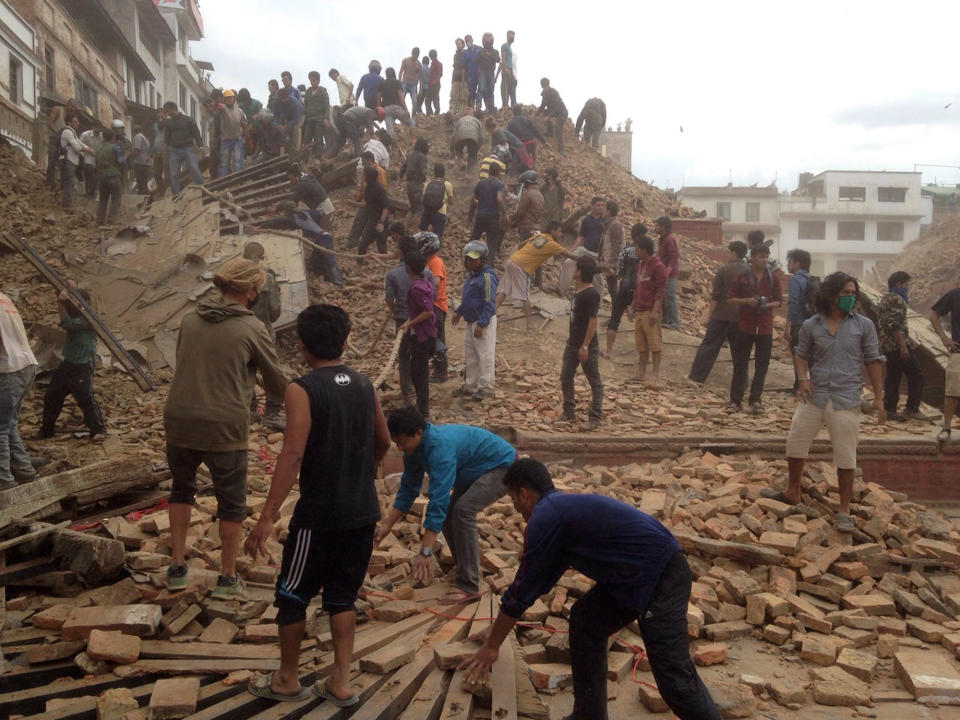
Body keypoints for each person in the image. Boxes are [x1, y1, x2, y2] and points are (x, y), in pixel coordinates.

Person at [460, 458, 722, 720]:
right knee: (586, 621)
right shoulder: (559, 510)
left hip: (660, 575)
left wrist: (493, 645)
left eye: (513, 500)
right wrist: (497, 629)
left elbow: (521, 590)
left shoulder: (546, 516)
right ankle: (589, 716)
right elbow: (538, 581)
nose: (516, 509)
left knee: (675, 679)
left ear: (524, 494)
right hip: (634, 574)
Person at [244, 304, 390, 705]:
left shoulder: (302, 389)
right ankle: (341, 683)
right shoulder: (364, 384)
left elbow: (291, 454)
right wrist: (362, 468)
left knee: (292, 594)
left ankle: (287, 680)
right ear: (345, 340)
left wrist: (266, 517)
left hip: (319, 517)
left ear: (302, 344)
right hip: (362, 513)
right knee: (342, 596)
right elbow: (384, 440)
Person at [163, 258, 289, 597]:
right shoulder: (252, 328)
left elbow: (187, 364)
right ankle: (227, 577)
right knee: (230, 502)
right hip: (224, 424)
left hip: (179, 419)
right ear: (251, 291)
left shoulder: (190, 320)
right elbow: (277, 382)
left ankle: (176, 566)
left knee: (181, 489)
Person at [767, 272, 885, 533]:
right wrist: (802, 379)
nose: (850, 297)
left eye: (853, 293)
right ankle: (792, 490)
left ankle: (844, 509)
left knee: (845, 454)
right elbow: (801, 355)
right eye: (845, 293)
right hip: (815, 395)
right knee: (796, 442)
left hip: (846, 398)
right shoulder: (812, 325)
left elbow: (874, 361)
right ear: (832, 295)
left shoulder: (864, 325)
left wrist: (879, 397)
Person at [376, 407, 516, 604]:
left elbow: (438, 498)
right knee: (451, 510)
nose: (400, 448)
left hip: (502, 467)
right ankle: (463, 569)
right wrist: (386, 526)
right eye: (397, 442)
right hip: (474, 470)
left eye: (402, 442)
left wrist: (425, 551)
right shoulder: (413, 450)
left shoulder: (439, 447)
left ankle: (469, 584)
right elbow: (408, 489)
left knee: (462, 510)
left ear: (419, 433)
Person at [39, 286, 106, 442]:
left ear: (86, 302)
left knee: (84, 397)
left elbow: (67, 324)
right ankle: (46, 431)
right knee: (52, 395)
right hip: (69, 361)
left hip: (83, 362)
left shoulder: (89, 316)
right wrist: (64, 292)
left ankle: (99, 430)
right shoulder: (77, 312)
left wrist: (61, 303)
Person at [725, 244, 782, 413]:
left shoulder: (772, 278)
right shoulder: (741, 276)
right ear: (752, 257)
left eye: (766, 256)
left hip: (764, 327)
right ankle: (735, 400)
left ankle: (756, 399)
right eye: (760, 256)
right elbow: (729, 299)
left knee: (762, 365)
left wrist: (767, 305)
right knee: (740, 364)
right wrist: (746, 301)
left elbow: (779, 301)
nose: (763, 260)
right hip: (745, 326)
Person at [496, 220, 577, 331]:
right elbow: (570, 255)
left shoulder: (540, 237)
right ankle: (530, 326)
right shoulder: (552, 244)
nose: (561, 234)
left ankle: (490, 315)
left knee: (503, 291)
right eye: (559, 231)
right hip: (521, 266)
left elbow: (521, 244)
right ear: (553, 231)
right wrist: (586, 260)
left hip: (513, 260)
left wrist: (524, 255)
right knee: (525, 297)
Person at [688, 241, 748, 383]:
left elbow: (716, 296)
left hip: (721, 315)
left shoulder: (724, 270)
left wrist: (709, 315)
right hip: (741, 317)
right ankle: (742, 383)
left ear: (734, 253)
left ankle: (696, 378)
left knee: (709, 347)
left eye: (729, 252)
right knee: (739, 352)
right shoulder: (749, 271)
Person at [385, 235, 434, 405]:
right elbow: (432, 297)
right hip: (423, 322)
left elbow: (389, 298)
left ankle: (407, 394)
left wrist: (395, 313)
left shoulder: (392, 274)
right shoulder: (427, 272)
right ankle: (422, 396)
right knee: (421, 359)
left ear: (401, 252)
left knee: (404, 357)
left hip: (403, 320)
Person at [240, 242, 284, 429]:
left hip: (240, 332)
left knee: (245, 371)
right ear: (263, 256)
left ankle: (250, 412)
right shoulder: (269, 278)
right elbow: (274, 313)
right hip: (264, 333)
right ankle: (271, 415)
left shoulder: (237, 277)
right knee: (272, 373)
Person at [0, 292, 39, 490]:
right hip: (26, 365)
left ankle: (4, 481)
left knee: (0, 428)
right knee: (8, 424)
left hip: (9, 370)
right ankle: (24, 469)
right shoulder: (4, 298)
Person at [252, 200, 342, 287]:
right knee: (314, 262)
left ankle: (338, 283)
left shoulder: (292, 219)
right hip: (322, 237)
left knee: (330, 260)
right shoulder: (306, 212)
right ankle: (327, 279)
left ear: (286, 211)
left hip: (323, 239)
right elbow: (319, 214)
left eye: (284, 211)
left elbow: (276, 222)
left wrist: (260, 226)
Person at [561, 256, 603, 429]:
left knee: (595, 381)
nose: (573, 271)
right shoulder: (578, 292)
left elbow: (593, 321)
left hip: (586, 346)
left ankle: (594, 418)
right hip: (572, 343)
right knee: (565, 376)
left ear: (579, 272)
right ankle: (569, 413)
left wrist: (585, 346)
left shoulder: (591, 294)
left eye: (575, 268)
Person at [452, 241, 498, 400]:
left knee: (484, 354)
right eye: (468, 259)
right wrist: (459, 312)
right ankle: (470, 384)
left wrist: (482, 323)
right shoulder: (471, 276)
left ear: (482, 259)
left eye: (473, 259)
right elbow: (468, 299)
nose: (469, 262)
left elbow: (490, 303)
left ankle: (486, 387)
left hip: (482, 320)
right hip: (471, 320)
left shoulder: (487, 277)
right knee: (471, 354)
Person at [878, 272, 924, 421]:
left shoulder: (885, 299)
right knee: (917, 375)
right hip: (897, 346)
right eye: (906, 285)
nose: (907, 288)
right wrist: (903, 346)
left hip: (888, 346)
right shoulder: (897, 300)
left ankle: (890, 410)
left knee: (893, 377)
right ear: (898, 284)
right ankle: (912, 409)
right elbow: (894, 325)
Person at [400, 251, 438, 418]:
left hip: (422, 335)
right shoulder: (425, 282)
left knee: (419, 373)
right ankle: (422, 406)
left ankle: (423, 410)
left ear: (408, 267)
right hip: (427, 333)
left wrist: (410, 322)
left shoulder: (416, 288)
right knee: (418, 372)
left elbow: (428, 311)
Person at [604, 223, 644, 359]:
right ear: (640, 236)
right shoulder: (646, 253)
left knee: (615, 320)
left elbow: (619, 273)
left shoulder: (625, 252)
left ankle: (609, 351)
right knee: (642, 322)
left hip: (624, 289)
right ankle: (643, 355)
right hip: (639, 291)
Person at [632, 234, 668, 384]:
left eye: (638, 249)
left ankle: (655, 374)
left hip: (650, 310)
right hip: (639, 310)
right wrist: (632, 307)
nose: (636, 251)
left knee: (654, 344)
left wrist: (655, 310)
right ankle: (641, 373)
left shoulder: (658, 267)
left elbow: (660, 291)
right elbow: (637, 288)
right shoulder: (640, 265)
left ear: (645, 250)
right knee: (641, 345)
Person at [416, 231, 449, 382]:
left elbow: (435, 282)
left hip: (436, 306)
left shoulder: (435, 262)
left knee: (438, 340)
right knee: (432, 338)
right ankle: (437, 369)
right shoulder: (428, 262)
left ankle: (441, 372)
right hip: (431, 305)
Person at [929, 286, 960, 444]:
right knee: (952, 391)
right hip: (959, 350)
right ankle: (946, 427)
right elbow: (933, 314)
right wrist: (943, 337)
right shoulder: (955, 294)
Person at [558, 196, 605, 297]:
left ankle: (598, 303)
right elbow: (581, 236)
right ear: (592, 206)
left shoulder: (605, 220)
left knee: (599, 280)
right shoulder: (586, 220)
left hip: (597, 254)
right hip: (584, 250)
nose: (601, 207)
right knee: (568, 263)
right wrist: (572, 250)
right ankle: (562, 293)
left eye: (602, 205)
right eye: (598, 205)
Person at [784, 248, 816, 393]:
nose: (787, 265)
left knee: (799, 355)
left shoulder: (795, 279)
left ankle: (798, 386)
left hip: (799, 324)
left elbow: (794, 302)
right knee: (813, 357)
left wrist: (788, 325)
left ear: (798, 263)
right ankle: (815, 386)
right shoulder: (813, 280)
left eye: (790, 262)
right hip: (814, 323)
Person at [346, 151, 387, 249]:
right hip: (365, 202)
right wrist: (359, 198)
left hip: (375, 205)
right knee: (358, 221)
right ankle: (351, 242)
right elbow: (362, 187)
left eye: (364, 161)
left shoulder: (380, 171)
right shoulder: (366, 171)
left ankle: (377, 247)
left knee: (374, 225)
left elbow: (383, 189)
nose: (363, 163)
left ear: (369, 160)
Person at [163, 101, 205, 196]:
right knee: (173, 174)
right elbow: (166, 138)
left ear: (173, 109)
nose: (167, 113)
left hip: (188, 149)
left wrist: (201, 146)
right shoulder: (169, 123)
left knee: (194, 168)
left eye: (168, 111)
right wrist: (165, 151)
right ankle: (176, 195)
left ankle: (202, 189)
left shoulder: (188, 120)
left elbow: (196, 134)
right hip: (174, 151)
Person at [468, 162, 506, 261]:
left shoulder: (480, 183)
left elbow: (471, 199)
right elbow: (499, 199)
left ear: (488, 172)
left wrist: (479, 203)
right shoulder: (499, 184)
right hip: (493, 217)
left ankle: (468, 259)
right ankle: (489, 267)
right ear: (498, 173)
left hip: (480, 215)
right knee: (491, 243)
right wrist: (504, 213)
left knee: (474, 238)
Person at [59, 113, 92, 210]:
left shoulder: (72, 132)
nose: (78, 123)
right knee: (70, 182)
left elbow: (79, 143)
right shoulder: (67, 132)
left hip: (72, 161)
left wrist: (91, 150)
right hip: (68, 160)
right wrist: (87, 150)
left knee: (71, 182)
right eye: (75, 122)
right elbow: (77, 147)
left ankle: (67, 203)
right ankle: (66, 205)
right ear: (69, 122)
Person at [45, 98, 78, 189]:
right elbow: (49, 123)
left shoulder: (70, 118)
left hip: (64, 144)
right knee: (52, 161)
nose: (73, 110)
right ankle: (49, 184)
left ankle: (61, 186)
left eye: (74, 108)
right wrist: (57, 133)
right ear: (67, 104)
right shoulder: (58, 110)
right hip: (54, 140)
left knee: (64, 164)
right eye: (72, 107)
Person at [94, 128, 124, 226]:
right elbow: (121, 162)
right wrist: (126, 156)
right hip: (113, 176)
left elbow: (96, 163)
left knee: (103, 199)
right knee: (116, 198)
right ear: (112, 137)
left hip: (101, 176)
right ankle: (111, 219)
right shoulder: (115, 148)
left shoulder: (98, 148)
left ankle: (100, 220)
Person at [358, 165, 390, 255]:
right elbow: (368, 204)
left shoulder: (379, 189)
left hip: (380, 223)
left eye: (364, 174)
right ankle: (359, 264)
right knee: (362, 245)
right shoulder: (368, 188)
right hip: (371, 222)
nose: (363, 176)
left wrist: (381, 222)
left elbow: (386, 207)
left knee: (382, 248)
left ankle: (384, 268)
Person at [656, 216, 681, 329]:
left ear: (663, 227)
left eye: (657, 225)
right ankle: (666, 321)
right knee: (664, 297)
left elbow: (673, 257)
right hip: (663, 273)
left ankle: (674, 323)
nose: (655, 227)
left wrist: (667, 271)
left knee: (670, 297)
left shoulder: (669, 239)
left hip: (669, 274)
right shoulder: (662, 239)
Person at [598, 199, 625, 300]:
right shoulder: (609, 224)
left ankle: (616, 312)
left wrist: (611, 264)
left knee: (613, 289)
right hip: (608, 261)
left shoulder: (615, 225)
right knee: (611, 288)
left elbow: (616, 246)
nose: (602, 211)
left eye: (604, 208)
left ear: (608, 211)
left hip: (612, 263)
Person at [420, 164, 453, 240]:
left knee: (421, 232)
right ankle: (434, 250)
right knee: (437, 238)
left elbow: (421, 200)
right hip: (440, 213)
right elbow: (451, 202)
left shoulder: (428, 184)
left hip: (427, 212)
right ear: (444, 173)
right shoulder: (448, 184)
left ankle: (418, 247)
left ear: (434, 173)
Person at [217, 89, 245, 177]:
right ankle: (222, 181)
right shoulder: (222, 108)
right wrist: (219, 100)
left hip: (237, 138)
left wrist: (246, 136)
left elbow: (244, 124)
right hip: (226, 139)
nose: (229, 100)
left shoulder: (240, 111)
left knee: (238, 161)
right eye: (227, 98)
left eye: (230, 98)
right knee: (224, 163)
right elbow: (217, 105)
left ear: (234, 98)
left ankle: (238, 180)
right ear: (224, 99)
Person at [303, 71, 331, 158]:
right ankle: (306, 158)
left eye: (314, 80)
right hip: (309, 119)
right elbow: (305, 105)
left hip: (320, 118)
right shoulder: (308, 92)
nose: (312, 82)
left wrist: (326, 118)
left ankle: (318, 157)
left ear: (318, 81)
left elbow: (327, 105)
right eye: (311, 80)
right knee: (307, 138)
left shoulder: (322, 91)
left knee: (318, 139)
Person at [509, 170, 544, 239]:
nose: (524, 186)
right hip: (537, 228)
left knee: (523, 249)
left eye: (524, 183)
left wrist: (511, 219)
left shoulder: (527, 194)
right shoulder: (540, 195)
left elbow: (520, 212)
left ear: (527, 182)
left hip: (526, 229)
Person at [536, 78, 568, 153]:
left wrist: (549, 116)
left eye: (545, 86)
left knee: (558, 128)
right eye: (543, 86)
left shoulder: (554, 92)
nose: (544, 88)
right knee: (545, 113)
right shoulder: (544, 94)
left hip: (562, 112)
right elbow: (542, 106)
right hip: (553, 111)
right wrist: (536, 114)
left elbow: (557, 106)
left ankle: (561, 149)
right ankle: (549, 131)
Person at [400, 138, 429, 216]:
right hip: (416, 185)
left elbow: (403, 168)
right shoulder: (421, 156)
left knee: (412, 208)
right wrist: (426, 180)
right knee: (420, 209)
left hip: (408, 184)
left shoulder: (410, 154)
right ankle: (416, 228)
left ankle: (405, 227)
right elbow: (423, 171)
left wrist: (400, 178)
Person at [275, 87, 306, 154]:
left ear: (288, 96)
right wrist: (279, 125)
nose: (283, 100)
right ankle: (286, 151)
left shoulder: (294, 102)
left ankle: (296, 151)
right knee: (282, 131)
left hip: (300, 115)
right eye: (281, 99)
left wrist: (286, 126)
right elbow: (276, 115)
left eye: (285, 98)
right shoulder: (277, 101)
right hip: (287, 117)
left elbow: (296, 119)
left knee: (296, 129)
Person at [475, 33, 499, 114]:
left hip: (491, 72)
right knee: (481, 88)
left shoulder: (495, 51)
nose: (487, 39)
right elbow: (476, 60)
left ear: (492, 39)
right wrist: (482, 55)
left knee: (491, 91)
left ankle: (491, 108)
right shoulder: (481, 51)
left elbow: (498, 60)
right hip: (482, 71)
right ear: (483, 39)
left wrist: (489, 55)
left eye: (489, 37)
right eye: (486, 37)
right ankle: (478, 106)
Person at [79, 124, 102, 199]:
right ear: (93, 127)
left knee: (97, 177)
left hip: (98, 158)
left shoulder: (102, 136)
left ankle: (92, 192)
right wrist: (84, 154)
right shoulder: (85, 135)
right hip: (87, 157)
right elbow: (79, 144)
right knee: (89, 175)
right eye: (97, 128)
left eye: (100, 128)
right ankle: (88, 192)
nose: (98, 130)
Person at [498, 30, 517, 109]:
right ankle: (505, 105)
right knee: (505, 88)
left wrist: (514, 74)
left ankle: (514, 106)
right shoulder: (504, 46)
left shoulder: (510, 49)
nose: (512, 36)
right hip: (507, 69)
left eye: (513, 35)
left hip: (512, 71)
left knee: (512, 89)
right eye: (510, 35)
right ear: (507, 36)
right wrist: (505, 68)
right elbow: (503, 57)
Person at [130, 126, 152, 194]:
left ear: (134, 131)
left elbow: (136, 150)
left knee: (141, 184)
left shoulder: (138, 137)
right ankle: (146, 200)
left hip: (140, 164)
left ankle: (142, 201)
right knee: (144, 184)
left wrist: (130, 156)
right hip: (145, 164)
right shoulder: (144, 138)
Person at [449, 38, 467, 116]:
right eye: (457, 44)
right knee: (454, 96)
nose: (458, 45)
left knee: (463, 97)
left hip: (465, 78)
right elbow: (455, 66)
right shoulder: (455, 55)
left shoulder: (466, 53)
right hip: (456, 77)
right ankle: (452, 113)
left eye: (459, 43)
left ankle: (461, 113)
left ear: (463, 44)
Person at [462, 35, 481, 110]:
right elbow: (463, 67)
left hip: (480, 74)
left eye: (469, 40)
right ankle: (472, 109)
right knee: (471, 93)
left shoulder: (479, 48)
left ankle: (480, 108)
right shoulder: (465, 53)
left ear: (472, 40)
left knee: (482, 90)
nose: (468, 42)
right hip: (470, 75)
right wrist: (463, 79)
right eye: (466, 41)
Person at [425, 49, 442, 115]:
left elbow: (439, 74)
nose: (432, 58)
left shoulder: (438, 64)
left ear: (435, 56)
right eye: (431, 57)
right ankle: (430, 114)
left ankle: (436, 113)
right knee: (428, 101)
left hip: (435, 85)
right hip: (431, 84)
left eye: (432, 56)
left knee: (435, 99)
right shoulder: (432, 64)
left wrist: (435, 82)